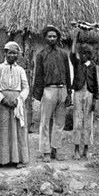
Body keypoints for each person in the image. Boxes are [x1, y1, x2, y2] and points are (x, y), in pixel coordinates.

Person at [0, 41, 30, 168]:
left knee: (18, 131)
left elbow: (26, 88)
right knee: (2, 130)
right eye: (10, 53)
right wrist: (2, 99)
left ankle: (18, 159)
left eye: (15, 54)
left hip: (17, 104)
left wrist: (19, 99)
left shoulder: (20, 70)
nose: (12, 56)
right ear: (5, 53)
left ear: (18, 55)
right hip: (3, 104)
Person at [32, 25, 72, 162]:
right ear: (45, 38)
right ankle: (45, 151)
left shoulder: (63, 55)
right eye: (49, 36)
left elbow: (68, 74)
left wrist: (69, 93)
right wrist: (38, 94)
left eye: (54, 36)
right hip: (48, 90)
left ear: (58, 38)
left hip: (63, 89)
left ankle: (56, 149)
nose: (52, 38)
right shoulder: (41, 55)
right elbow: (38, 76)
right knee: (45, 121)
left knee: (60, 122)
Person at [70, 28, 99, 160]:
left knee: (88, 122)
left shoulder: (92, 66)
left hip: (89, 94)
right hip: (78, 93)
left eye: (86, 54)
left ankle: (86, 148)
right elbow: (72, 54)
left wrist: (95, 99)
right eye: (81, 53)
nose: (83, 56)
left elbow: (96, 83)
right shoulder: (77, 64)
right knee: (77, 121)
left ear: (89, 55)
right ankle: (76, 149)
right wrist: (75, 38)